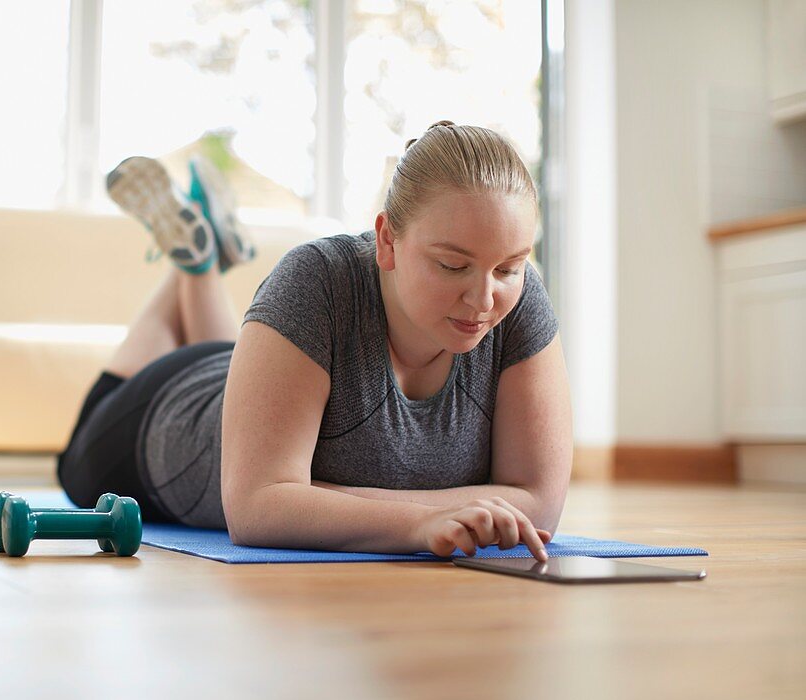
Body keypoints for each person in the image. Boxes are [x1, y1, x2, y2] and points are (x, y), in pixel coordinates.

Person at [57, 121, 571, 562]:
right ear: (387, 240)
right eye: (452, 265)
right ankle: (195, 265)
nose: (484, 298)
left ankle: (199, 258)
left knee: (232, 355)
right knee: (74, 462)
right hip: (165, 410)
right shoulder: (315, 280)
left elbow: (538, 502)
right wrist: (418, 522)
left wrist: (313, 498)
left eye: (509, 267)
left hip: (260, 370)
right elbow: (257, 507)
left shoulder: (521, 303)